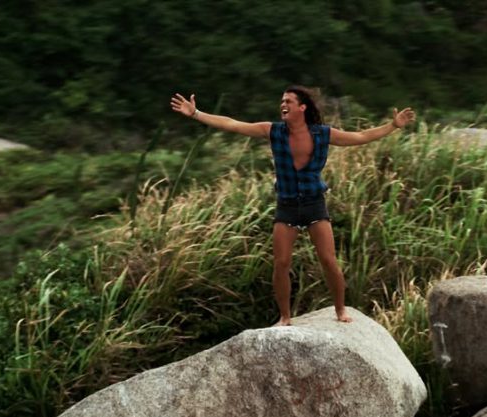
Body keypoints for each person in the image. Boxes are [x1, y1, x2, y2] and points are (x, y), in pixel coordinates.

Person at [170, 86, 415, 326]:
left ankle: (340, 309)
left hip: (314, 203)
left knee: (328, 260)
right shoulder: (272, 131)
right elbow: (233, 124)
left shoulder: (322, 134)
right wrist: (196, 113)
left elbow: (361, 137)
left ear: (302, 107)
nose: (283, 105)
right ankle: (285, 316)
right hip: (286, 204)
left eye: (288, 101)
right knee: (281, 263)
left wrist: (393, 126)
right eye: (282, 102)